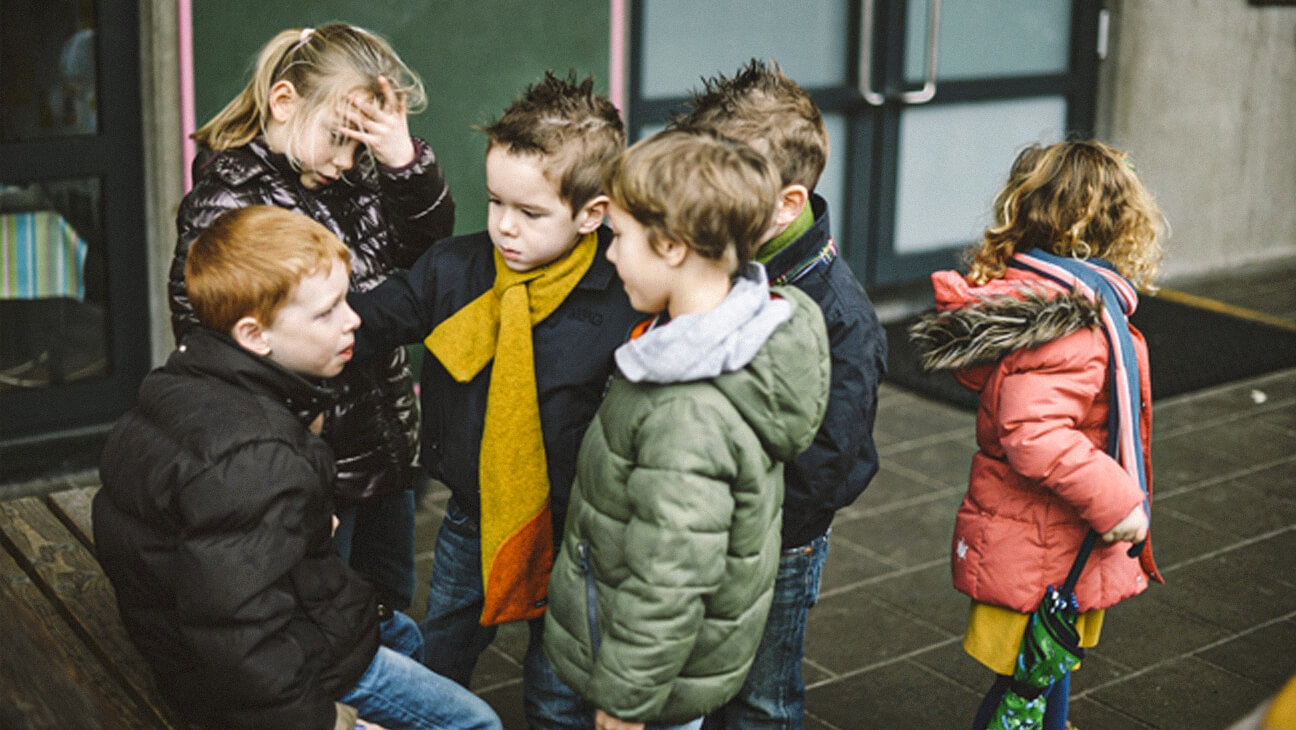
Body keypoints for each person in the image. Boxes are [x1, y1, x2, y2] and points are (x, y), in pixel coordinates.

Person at [93, 206, 500, 730]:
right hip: (282, 672)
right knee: (479, 722)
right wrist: (326, 722)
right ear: (256, 336)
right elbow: (239, 635)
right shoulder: (256, 454)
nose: (354, 318)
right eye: (327, 311)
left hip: (265, 620)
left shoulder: (185, 384)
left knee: (408, 636)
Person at [345, 71, 640, 729]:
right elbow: (366, 324)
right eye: (495, 202)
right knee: (442, 653)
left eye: (530, 213)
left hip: (577, 533)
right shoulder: (456, 269)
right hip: (471, 519)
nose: (505, 227)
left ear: (592, 214)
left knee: (560, 683)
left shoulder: (626, 293)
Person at [542, 129, 832, 730]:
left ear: (672, 246)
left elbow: (670, 580)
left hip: (647, 681)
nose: (611, 254)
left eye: (618, 237)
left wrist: (624, 704)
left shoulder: (687, 410)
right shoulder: (733, 332)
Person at [168, 23, 454, 612]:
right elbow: (223, 362)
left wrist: (402, 163)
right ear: (283, 101)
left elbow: (425, 263)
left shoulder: (356, 173)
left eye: (362, 146)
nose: (347, 161)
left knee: (391, 602)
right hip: (313, 470)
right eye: (338, 138)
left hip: (384, 444)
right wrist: (293, 478)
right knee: (331, 617)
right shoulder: (229, 203)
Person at [908, 140, 1167, 730]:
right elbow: (1035, 434)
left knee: (1044, 664)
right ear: (1107, 228)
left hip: (1045, 538)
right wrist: (1119, 500)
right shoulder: (1070, 324)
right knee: (1023, 687)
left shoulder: (1048, 299)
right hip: (1043, 543)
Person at [669, 59, 886, 729]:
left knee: (762, 698)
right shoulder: (726, 259)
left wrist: (742, 523)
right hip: (709, 526)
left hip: (779, 546)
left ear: (787, 202)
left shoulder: (841, 317)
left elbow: (824, 466)